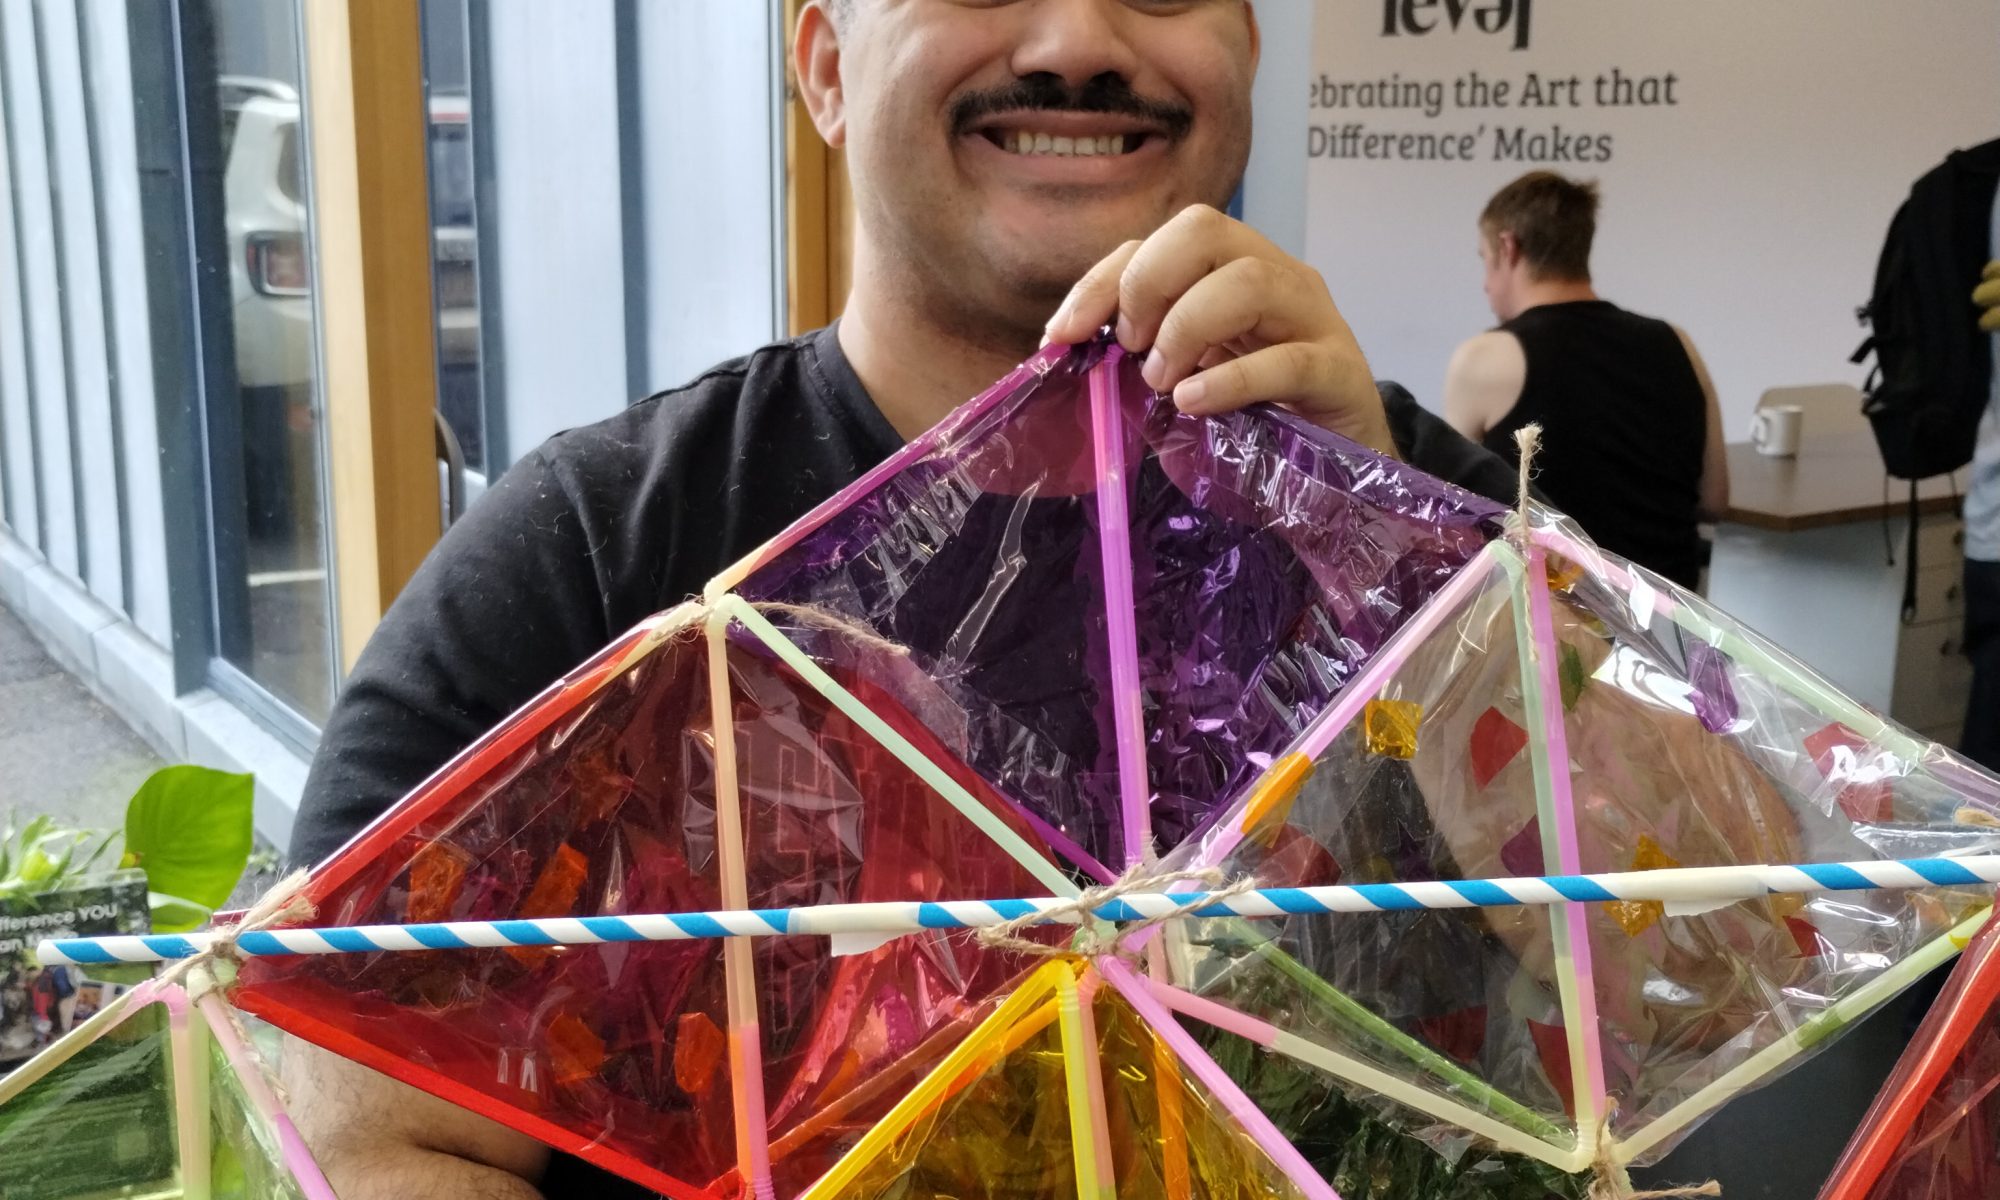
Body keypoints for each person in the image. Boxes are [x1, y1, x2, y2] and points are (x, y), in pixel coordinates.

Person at [279, 3, 1519, 1197]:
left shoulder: (1440, 519)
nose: (1080, 42)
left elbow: (1663, 973)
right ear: (823, 65)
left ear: (1242, 53)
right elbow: (359, 1140)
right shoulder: (593, 557)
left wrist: (1391, 556)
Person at [1443, 171, 1727, 590]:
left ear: (1508, 248)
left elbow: (1446, 522)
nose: (1486, 284)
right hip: (1671, 633)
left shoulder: (1484, 359)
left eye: (1484, 259)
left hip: (1555, 638)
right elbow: (1714, 500)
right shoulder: (1676, 342)